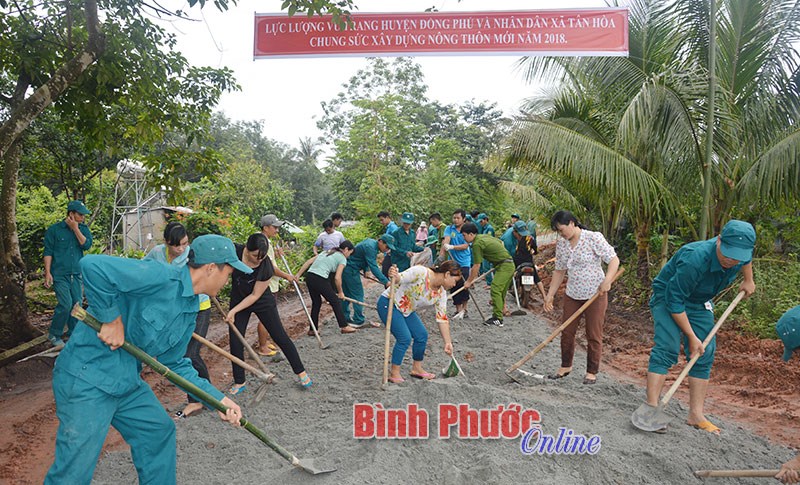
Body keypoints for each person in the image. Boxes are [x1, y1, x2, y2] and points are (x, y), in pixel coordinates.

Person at [45, 235, 245, 485]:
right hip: (88, 378)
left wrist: (218, 399)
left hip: (126, 381)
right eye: (229, 272)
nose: (229, 280)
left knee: (157, 432)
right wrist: (111, 319)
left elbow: (176, 364)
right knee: (74, 472)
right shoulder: (160, 276)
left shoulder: (190, 309)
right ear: (211, 268)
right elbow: (93, 265)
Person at [638, 219, 756, 433]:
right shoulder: (695, 258)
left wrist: (748, 280)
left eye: (738, 256)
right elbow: (675, 301)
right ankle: (651, 407)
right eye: (728, 254)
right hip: (669, 299)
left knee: (705, 351)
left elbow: (745, 259)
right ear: (719, 240)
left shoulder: (740, 254)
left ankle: (695, 414)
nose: (731, 260)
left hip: (700, 301)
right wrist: (691, 337)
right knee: (668, 347)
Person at [226, 233, 311, 394]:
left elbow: (255, 295)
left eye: (262, 257)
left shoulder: (265, 266)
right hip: (238, 297)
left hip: (261, 300)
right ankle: (239, 381)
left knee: (279, 336)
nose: (258, 260)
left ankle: (301, 372)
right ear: (246, 248)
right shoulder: (234, 251)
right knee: (236, 339)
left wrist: (234, 310)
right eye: (254, 256)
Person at [143, 222, 212, 419]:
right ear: (166, 243)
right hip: (177, 309)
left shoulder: (192, 256)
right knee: (184, 354)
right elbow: (144, 268)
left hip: (199, 308)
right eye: (177, 246)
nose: (181, 249)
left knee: (190, 354)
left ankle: (198, 399)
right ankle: (204, 395)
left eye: (184, 244)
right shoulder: (157, 253)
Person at [544, 210, 620, 385]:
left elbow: (613, 260)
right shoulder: (562, 244)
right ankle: (565, 366)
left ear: (572, 223)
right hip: (572, 293)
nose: (561, 234)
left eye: (561, 229)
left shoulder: (593, 238)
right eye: (558, 231)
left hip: (595, 294)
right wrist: (550, 295)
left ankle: (591, 372)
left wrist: (607, 281)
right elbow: (559, 270)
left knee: (593, 333)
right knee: (567, 331)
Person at [378, 261, 459, 382]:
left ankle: (417, 368)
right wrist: (394, 274)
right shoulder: (421, 272)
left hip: (407, 309)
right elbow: (400, 278)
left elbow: (442, 318)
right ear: (447, 274)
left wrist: (448, 342)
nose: (454, 284)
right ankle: (394, 373)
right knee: (404, 338)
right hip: (390, 303)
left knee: (421, 335)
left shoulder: (441, 294)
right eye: (455, 281)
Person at [43, 200, 93, 348]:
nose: (83, 217)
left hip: (76, 274)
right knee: (65, 305)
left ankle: (74, 334)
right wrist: (47, 273)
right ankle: (54, 333)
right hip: (59, 274)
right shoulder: (54, 230)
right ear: (71, 214)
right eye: (80, 215)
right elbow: (48, 252)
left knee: (77, 305)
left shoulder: (83, 229)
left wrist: (76, 228)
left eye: (84, 215)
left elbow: (86, 245)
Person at [256, 214, 299, 356]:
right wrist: (287, 276)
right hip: (267, 285)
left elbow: (261, 258)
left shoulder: (261, 239)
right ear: (265, 227)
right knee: (267, 317)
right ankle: (262, 346)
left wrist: (275, 253)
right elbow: (271, 268)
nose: (277, 230)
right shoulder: (265, 243)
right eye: (274, 227)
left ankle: (265, 341)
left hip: (265, 284)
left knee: (268, 316)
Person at [460, 222, 515, 327]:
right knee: (501, 291)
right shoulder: (482, 237)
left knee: (495, 289)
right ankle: (500, 312)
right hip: (508, 264)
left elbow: (476, 266)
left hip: (505, 266)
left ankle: (498, 318)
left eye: (464, 235)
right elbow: (500, 242)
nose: (464, 238)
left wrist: (468, 281)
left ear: (471, 234)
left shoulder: (476, 244)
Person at [296, 240, 357, 335]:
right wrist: (340, 292)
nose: (349, 256)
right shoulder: (342, 259)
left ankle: (313, 329)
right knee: (335, 302)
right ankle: (344, 326)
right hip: (320, 278)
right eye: (350, 253)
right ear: (345, 249)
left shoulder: (326, 252)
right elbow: (337, 278)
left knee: (316, 303)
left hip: (310, 276)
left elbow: (308, 262)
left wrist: (298, 275)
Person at [342, 235, 394, 328]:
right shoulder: (370, 247)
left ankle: (344, 317)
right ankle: (358, 320)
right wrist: (386, 281)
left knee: (347, 295)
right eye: (387, 247)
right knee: (358, 294)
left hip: (348, 268)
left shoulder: (371, 244)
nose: (387, 249)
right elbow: (374, 266)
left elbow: (363, 257)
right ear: (381, 242)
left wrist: (366, 269)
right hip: (351, 270)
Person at [441, 209, 472, 317]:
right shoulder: (449, 228)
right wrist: (445, 245)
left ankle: (465, 309)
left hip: (464, 261)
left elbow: (465, 245)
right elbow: (447, 239)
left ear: (463, 219)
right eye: (454, 217)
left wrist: (453, 247)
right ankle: (458, 309)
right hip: (453, 261)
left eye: (458, 218)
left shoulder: (467, 230)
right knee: (454, 284)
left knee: (464, 285)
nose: (455, 220)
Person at [511, 220, 546, 304]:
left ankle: (513, 289)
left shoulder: (515, 239)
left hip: (518, 262)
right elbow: (536, 249)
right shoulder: (530, 238)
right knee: (537, 279)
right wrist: (535, 252)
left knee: (513, 274)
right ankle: (544, 296)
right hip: (529, 262)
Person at [476, 213, 496, 286]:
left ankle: (490, 283)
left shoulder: (489, 228)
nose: (480, 223)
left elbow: (489, 240)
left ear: (485, 220)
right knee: (485, 266)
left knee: (487, 266)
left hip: (489, 250)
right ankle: (489, 282)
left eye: (481, 221)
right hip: (485, 250)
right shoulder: (484, 228)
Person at [377, 211, 399, 277]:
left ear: (387, 217)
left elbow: (396, 242)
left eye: (382, 220)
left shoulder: (393, 228)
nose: (381, 222)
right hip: (388, 253)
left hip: (391, 254)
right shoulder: (389, 228)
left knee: (386, 272)